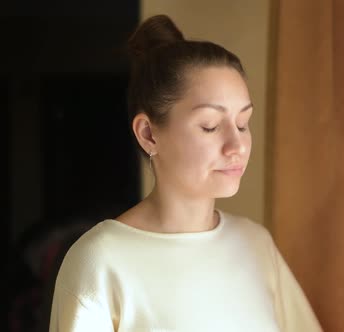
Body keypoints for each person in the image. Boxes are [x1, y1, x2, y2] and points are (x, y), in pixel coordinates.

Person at [49, 14, 322, 332]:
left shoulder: (255, 244)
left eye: (242, 123)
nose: (237, 145)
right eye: (210, 126)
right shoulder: (99, 260)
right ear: (149, 134)